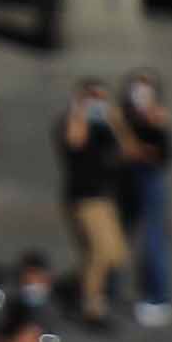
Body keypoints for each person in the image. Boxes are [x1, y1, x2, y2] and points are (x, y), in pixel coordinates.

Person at [58, 79, 132, 324]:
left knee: (115, 254)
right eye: (91, 96)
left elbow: (127, 151)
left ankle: (74, 285)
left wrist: (116, 120)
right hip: (83, 197)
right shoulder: (71, 123)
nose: (96, 102)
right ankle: (91, 304)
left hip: (104, 198)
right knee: (98, 252)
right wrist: (78, 111)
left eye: (100, 97)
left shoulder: (105, 127)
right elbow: (73, 141)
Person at [119, 68, 172, 326]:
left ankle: (157, 296)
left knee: (153, 240)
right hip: (127, 180)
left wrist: (150, 138)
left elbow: (163, 156)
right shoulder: (123, 117)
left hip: (149, 180)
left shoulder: (158, 121)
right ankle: (108, 288)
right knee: (119, 234)